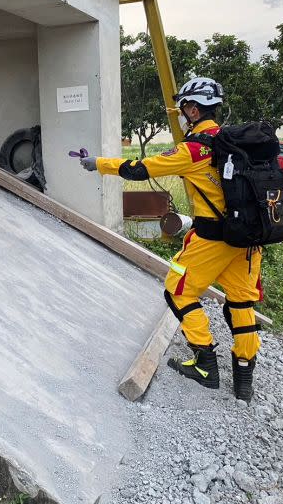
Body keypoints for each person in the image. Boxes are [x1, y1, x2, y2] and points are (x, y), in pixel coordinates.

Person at [78, 77, 263, 402]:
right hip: (250, 236)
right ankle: (244, 379)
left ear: (193, 109)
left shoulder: (194, 149)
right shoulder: (237, 143)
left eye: (183, 109)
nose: (180, 114)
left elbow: (140, 169)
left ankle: (206, 364)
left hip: (212, 237)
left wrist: (99, 164)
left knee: (178, 291)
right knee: (241, 301)